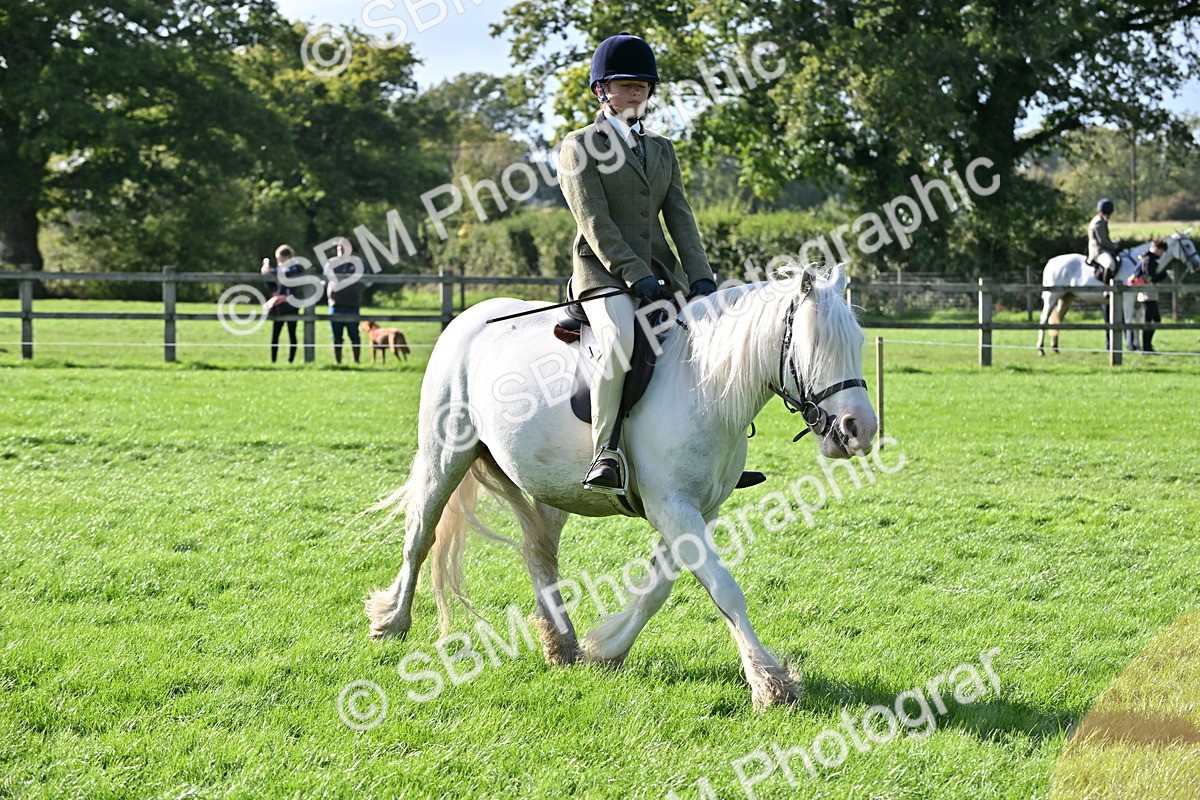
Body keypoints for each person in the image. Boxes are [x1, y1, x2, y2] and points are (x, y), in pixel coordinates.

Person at [559, 32, 718, 493]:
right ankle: (605, 451)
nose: (636, 93)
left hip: (658, 275)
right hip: (602, 274)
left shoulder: (663, 150)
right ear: (601, 91)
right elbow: (594, 221)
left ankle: (707, 453)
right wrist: (636, 275)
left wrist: (702, 278)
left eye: (643, 86)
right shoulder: (579, 145)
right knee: (620, 339)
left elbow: (681, 220)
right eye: (626, 84)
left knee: (706, 343)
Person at [323, 240, 366, 364]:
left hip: (352, 305)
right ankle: (338, 362)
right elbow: (325, 281)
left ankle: (356, 361)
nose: (341, 250)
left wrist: (355, 291)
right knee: (336, 336)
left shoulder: (359, 263)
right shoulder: (331, 263)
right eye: (339, 248)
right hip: (335, 305)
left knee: (354, 334)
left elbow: (368, 281)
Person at [261, 244, 303, 364]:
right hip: (279, 305)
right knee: (275, 334)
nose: (279, 261)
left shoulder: (295, 268)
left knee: (292, 334)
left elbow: (288, 273)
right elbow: (273, 286)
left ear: (288, 257)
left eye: (280, 259)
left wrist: (272, 271)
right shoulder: (280, 270)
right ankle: (273, 360)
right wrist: (267, 275)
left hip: (291, 305)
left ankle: (291, 361)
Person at [1131, 237, 1168, 353]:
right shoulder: (1148, 260)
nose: (1162, 254)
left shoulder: (1149, 259)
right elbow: (1150, 278)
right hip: (1146, 295)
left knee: (1155, 320)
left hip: (1150, 294)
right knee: (1149, 321)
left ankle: (1148, 346)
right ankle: (1146, 348)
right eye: (1161, 251)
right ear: (1157, 249)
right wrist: (1165, 274)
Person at [1087, 198, 1120, 281]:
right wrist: (1114, 246)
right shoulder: (1099, 222)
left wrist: (1114, 242)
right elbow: (1103, 241)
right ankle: (1106, 290)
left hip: (1102, 248)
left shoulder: (1102, 220)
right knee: (1110, 264)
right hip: (1098, 251)